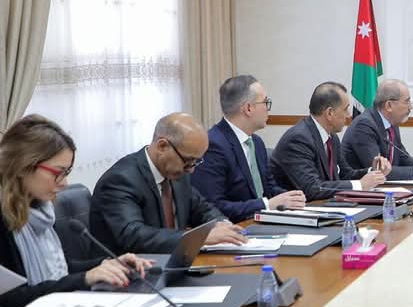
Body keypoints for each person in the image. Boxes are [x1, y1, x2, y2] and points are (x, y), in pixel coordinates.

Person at [0, 115, 152, 307]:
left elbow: (59, 270)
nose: (64, 183)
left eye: (66, 173)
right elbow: (2, 303)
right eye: (58, 173)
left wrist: (107, 264)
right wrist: (85, 279)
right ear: (22, 166)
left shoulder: (37, 208)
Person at [90, 113, 248, 254]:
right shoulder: (120, 180)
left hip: (172, 263)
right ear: (162, 146)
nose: (191, 169)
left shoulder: (176, 172)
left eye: (196, 161)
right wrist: (199, 237)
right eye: (188, 160)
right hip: (129, 271)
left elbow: (202, 209)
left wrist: (221, 225)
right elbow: (133, 236)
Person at [190, 75, 305, 222]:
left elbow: (269, 188)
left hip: (265, 222)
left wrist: (291, 197)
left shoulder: (256, 142)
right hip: (237, 227)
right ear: (249, 108)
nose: (268, 109)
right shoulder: (213, 145)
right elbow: (214, 206)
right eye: (265, 102)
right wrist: (266, 205)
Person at [270, 81, 390, 200]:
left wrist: (372, 172)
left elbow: (345, 174)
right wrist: (360, 185)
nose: (349, 115)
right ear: (330, 113)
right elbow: (312, 188)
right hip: (296, 208)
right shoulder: (299, 139)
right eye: (345, 109)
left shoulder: (331, 137)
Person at [341, 79, 413, 181]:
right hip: (357, 190)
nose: (411, 107)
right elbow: (380, 170)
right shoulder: (364, 126)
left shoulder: (391, 122)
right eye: (407, 102)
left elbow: (402, 157)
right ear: (389, 105)